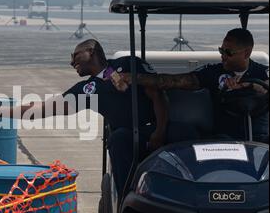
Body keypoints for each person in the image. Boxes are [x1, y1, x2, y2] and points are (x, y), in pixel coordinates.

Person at [0, 39, 169, 195]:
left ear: (91, 52)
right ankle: (129, 201)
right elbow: (43, 108)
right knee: (118, 140)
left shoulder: (128, 63)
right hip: (127, 137)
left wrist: (159, 132)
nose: (71, 61)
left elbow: (157, 94)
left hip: (160, 127)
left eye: (75, 55)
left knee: (190, 136)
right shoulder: (86, 89)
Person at [112, 28, 269, 143]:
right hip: (224, 139)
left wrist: (250, 86)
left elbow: (265, 86)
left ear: (246, 53)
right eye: (221, 50)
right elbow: (172, 81)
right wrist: (135, 77)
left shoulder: (262, 73)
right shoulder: (213, 72)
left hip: (260, 139)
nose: (222, 56)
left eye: (228, 52)